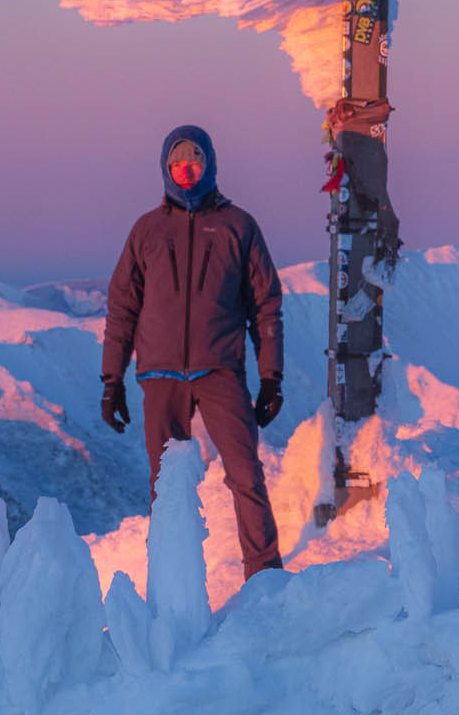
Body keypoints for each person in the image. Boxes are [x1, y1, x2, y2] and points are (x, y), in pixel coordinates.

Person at [100, 125, 286, 581]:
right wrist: (112, 381)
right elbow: (123, 307)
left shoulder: (238, 227)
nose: (186, 169)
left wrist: (271, 378)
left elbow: (266, 306)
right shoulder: (147, 230)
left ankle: (265, 579)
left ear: (211, 164)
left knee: (245, 476)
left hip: (221, 370)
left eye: (195, 160)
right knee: (166, 487)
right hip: (160, 375)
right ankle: (171, 579)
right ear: (165, 167)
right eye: (177, 161)